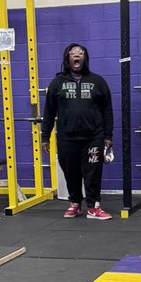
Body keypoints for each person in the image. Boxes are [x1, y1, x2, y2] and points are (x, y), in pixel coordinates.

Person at [42, 44, 114, 220]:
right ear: (67, 58)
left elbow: (107, 111)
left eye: (80, 53)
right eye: (73, 53)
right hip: (67, 138)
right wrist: (45, 136)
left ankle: (93, 206)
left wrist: (107, 136)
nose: (77, 56)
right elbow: (49, 112)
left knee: (93, 173)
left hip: (93, 137)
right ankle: (75, 203)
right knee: (70, 172)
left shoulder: (98, 82)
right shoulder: (57, 83)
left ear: (85, 58)